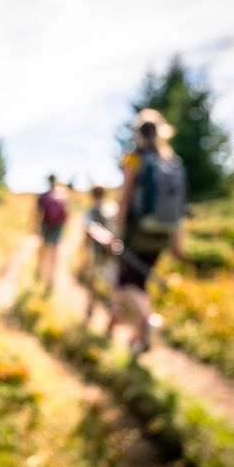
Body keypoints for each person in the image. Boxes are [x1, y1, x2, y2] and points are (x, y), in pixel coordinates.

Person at [113, 109, 186, 355]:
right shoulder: (171, 161)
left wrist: (116, 230)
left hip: (137, 233)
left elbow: (124, 197)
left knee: (126, 284)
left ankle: (147, 321)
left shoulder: (134, 159)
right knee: (140, 283)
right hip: (162, 235)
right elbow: (179, 209)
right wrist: (177, 242)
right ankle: (139, 338)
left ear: (138, 133)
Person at [83, 185, 118, 320]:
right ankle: (114, 311)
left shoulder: (90, 212)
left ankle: (91, 306)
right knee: (113, 282)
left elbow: (88, 232)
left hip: (97, 251)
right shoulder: (112, 207)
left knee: (93, 279)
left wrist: (85, 253)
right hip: (114, 250)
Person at [34, 174, 68, 295]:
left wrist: (35, 226)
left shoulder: (43, 196)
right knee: (54, 252)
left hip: (46, 225)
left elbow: (38, 213)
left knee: (43, 249)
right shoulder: (62, 195)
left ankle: (39, 271)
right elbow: (67, 214)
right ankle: (52, 278)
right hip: (58, 227)